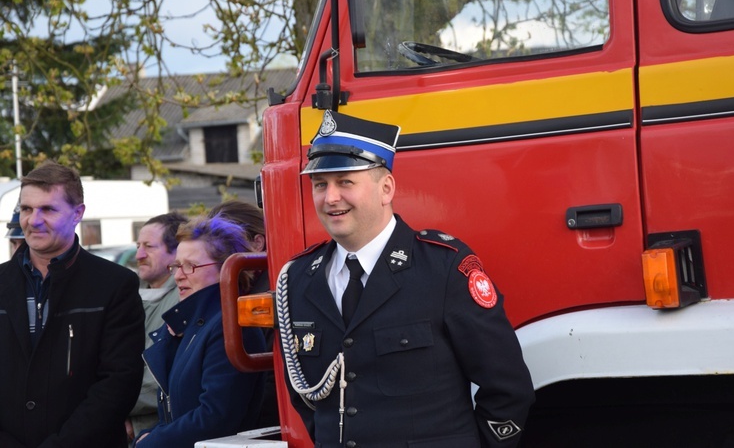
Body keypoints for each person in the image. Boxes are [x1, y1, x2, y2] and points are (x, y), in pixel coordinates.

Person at [277, 111, 535, 447]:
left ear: (386, 189)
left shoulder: (443, 268)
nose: (330, 198)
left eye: (345, 182)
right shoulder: (298, 278)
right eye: (320, 184)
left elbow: (508, 388)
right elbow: (307, 398)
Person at [0, 160, 145, 447]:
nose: (33, 220)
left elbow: (118, 384)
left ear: (78, 213)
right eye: (27, 209)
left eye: (48, 209)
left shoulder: (114, 285)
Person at [135, 215, 267, 447]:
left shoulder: (230, 325)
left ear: (226, 270)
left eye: (190, 266)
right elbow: (175, 411)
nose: (178, 275)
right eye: (176, 266)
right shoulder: (194, 325)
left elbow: (216, 416)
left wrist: (151, 441)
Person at [208, 199, 280, 430]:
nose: (215, 256)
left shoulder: (268, 292)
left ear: (258, 243)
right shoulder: (238, 289)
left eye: (226, 245)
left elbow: (272, 380)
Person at [126, 211, 188, 442]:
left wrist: (115, 404)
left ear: (176, 251)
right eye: (138, 245)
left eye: (149, 247)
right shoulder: (128, 294)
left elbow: (166, 376)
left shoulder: (185, 299)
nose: (139, 254)